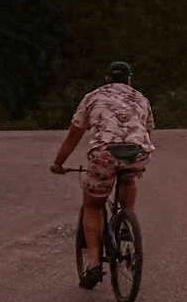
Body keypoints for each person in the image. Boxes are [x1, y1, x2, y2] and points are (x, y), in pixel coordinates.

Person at [50, 60, 156, 289]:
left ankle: (94, 264)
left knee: (93, 205)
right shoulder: (141, 98)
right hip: (138, 151)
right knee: (128, 176)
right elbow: (146, 132)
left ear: (107, 79)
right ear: (129, 79)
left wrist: (58, 163)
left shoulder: (92, 97)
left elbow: (74, 135)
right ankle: (127, 221)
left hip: (105, 153)